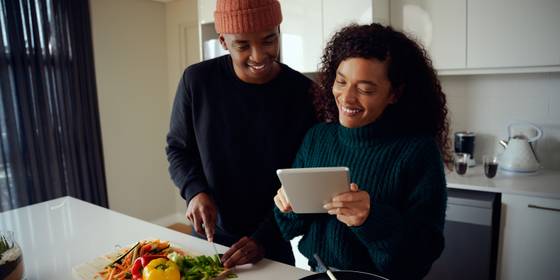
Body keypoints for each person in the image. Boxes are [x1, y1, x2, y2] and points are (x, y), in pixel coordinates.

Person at [273, 23, 452, 280]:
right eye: (341, 81)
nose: (347, 98)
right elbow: (288, 229)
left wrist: (371, 219)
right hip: (318, 274)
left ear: (394, 93)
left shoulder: (417, 152)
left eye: (365, 89)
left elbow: (420, 257)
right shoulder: (317, 138)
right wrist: (286, 206)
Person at [166, 0, 317, 268]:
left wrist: (264, 238)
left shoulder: (304, 93)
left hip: (272, 240)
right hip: (209, 235)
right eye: (243, 45)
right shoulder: (197, 81)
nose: (258, 56)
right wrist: (195, 191)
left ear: (279, 31)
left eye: (269, 40)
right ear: (224, 41)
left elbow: (304, 180)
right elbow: (178, 149)